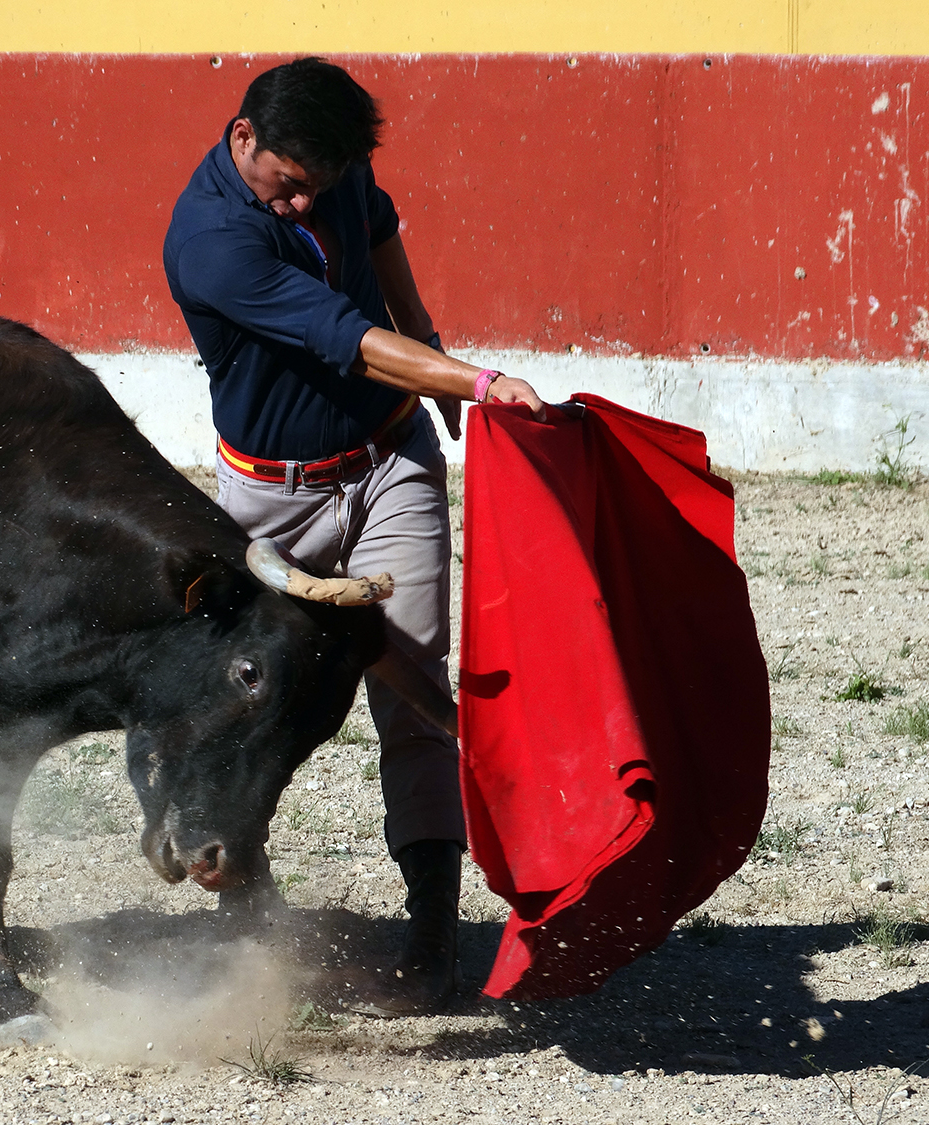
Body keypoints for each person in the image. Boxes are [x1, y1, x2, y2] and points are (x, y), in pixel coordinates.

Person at [162, 57, 546, 1016]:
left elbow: (376, 241)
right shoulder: (212, 238)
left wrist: (429, 337)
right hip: (267, 502)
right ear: (241, 136)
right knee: (241, 701)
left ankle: (431, 945)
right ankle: (245, 907)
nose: (302, 204)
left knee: (417, 684)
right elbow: (348, 335)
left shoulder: (336, 175)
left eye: (317, 187)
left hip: (386, 465)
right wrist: (476, 382)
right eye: (288, 182)